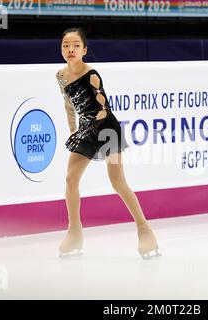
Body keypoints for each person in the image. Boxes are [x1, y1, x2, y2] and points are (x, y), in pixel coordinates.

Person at [55, 27, 161, 260]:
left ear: (84, 49)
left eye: (75, 45)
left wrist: (84, 130)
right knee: (70, 179)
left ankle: (144, 229)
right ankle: (74, 232)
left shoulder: (92, 74)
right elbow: (68, 105)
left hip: (106, 131)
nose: (70, 49)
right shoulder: (61, 76)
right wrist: (73, 131)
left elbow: (103, 111)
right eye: (65, 45)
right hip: (85, 131)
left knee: (118, 181)